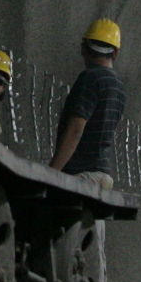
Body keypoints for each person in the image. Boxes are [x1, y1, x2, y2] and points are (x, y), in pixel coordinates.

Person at [51, 18, 125, 186]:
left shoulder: (90, 78)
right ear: (115, 52)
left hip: (80, 174)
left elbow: (76, 130)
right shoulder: (120, 87)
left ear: (84, 47)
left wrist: (52, 172)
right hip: (103, 174)